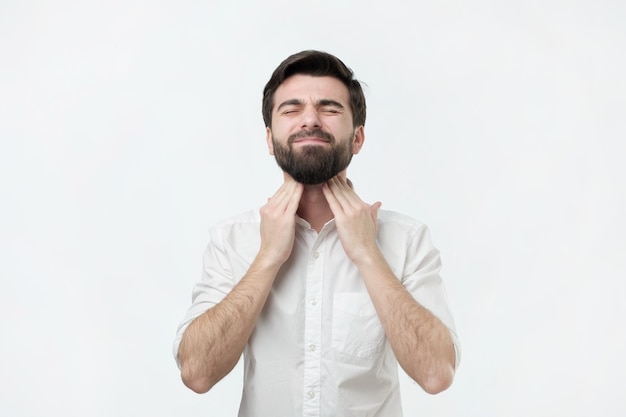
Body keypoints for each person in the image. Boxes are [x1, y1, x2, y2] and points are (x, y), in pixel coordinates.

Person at [173, 50, 461, 416]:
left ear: (358, 138)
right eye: (291, 109)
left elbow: (437, 374)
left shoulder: (406, 240)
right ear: (269, 138)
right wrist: (267, 258)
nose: (310, 119)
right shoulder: (232, 240)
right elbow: (196, 373)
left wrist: (367, 255)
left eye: (329, 108)